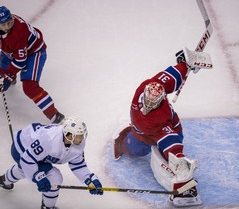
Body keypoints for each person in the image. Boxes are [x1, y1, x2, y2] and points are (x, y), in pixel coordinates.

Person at [113, 47, 212, 207]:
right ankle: (123, 142)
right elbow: (168, 139)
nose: (149, 104)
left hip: (169, 124)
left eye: (154, 102)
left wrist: (184, 65)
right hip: (143, 136)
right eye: (148, 101)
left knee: (176, 138)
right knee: (139, 149)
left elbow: (169, 77)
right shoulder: (149, 118)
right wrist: (179, 159)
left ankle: (176, 169)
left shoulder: (151, 88)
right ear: (145, 94)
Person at [0, 116, 103, 209]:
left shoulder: (78, 143)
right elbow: (27, 160)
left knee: (26, 170)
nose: (82, 138)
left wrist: (90, 180)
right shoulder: (49, 139)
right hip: (22, 148)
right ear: (69, 135)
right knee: (54, 177)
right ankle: (47, 207)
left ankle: (3, 180)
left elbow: (78, 164)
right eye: (79, 135)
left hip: (36, 155)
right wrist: (38, 177)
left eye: (82, 134)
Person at [0, 6, 64, 124]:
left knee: (29, 86)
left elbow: (20, 60)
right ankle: (11, 78)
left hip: (33, 53)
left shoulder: (19, 31)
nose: (8, 27)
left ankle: (55, 115)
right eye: (3, 25)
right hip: (11, 51)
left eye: (9, 22)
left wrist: (8, 76)